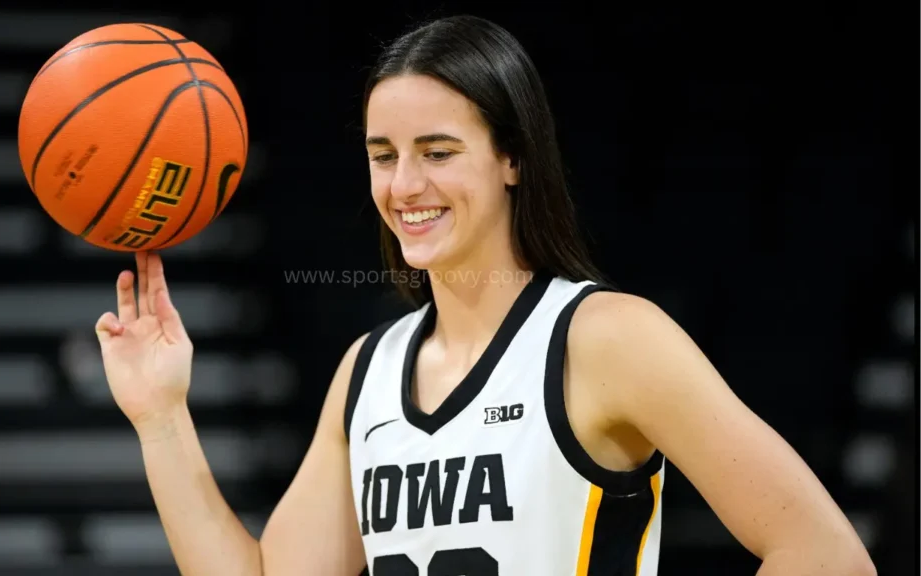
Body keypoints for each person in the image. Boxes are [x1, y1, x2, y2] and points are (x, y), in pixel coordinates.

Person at [95, 15, 875, 576]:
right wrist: (162, 417)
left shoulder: (606, 339)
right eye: (383, 155)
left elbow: (825, 554)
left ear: (512, 159)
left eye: (438, 152)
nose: (405, 186)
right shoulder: (367, 373)